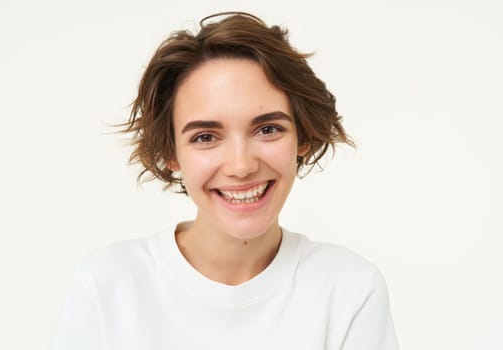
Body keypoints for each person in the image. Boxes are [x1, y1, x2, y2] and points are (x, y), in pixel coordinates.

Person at [53, 12, 399, 350]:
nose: (241, 165)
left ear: (302, 136)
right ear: (171, 152)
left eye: (268, 129)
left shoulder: (350, 289)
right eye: (205, 137)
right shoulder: (107, 286)